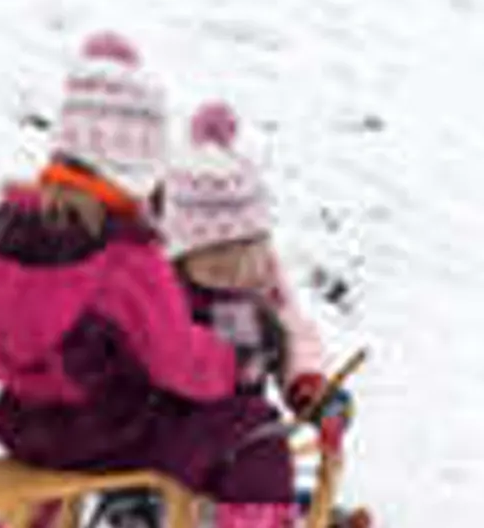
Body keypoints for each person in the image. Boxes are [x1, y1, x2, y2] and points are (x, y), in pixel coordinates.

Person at [0, 33, 298, 528]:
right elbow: (178, 361)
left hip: (23, 424)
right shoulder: (126, 253)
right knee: (253, 431)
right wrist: (233, 364)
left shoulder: (8, 228)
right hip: (108, 432)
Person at [95, 101, 365, 528]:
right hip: (163, 431)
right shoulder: (157, 288)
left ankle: (268, 512)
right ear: (182, 252)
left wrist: (308, 384)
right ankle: (138, 508)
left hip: (237, 436)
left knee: (259, 455)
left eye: (251, 249)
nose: (239, 268)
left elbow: (291, 331)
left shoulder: (258, 276)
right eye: (219, 257)